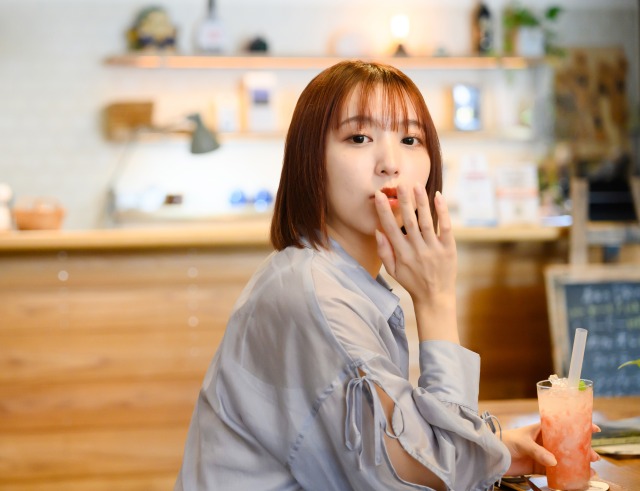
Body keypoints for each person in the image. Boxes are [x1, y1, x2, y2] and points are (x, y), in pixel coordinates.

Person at [175, 60, 598, 490]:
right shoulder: (314, 297)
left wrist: (493, 451)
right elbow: (432, 479)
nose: (390, 164)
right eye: (359, 138)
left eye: (410, 139)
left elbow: (405, 450)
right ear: (310, 160)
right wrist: (436, 300)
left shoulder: (336, 278)